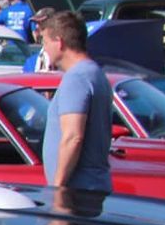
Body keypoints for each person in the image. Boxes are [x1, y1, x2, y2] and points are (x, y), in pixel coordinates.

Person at [40, 11, 115, 195]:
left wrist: (57, 188)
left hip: (76, 191)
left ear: (59, 42)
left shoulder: (77, 78)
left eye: (45, 42)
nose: (44, 49)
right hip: (90, 187)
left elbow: (73, 137)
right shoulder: (94, 73)